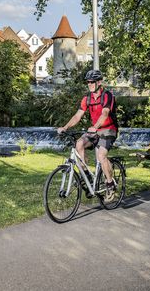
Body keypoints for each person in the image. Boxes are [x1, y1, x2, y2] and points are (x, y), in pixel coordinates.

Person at [57, 70, 118, 202]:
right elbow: (78, 115)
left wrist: (95, 127)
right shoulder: (87, 98)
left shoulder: (107, 96)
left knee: (101, 155)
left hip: (108, 129)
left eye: (92, 82)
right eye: (88, 82)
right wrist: (65, 127)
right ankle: (87, 177)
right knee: (79, 144)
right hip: (93, 130)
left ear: (99, 82)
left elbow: (105, 113)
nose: (89, 84)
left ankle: (110, 184)